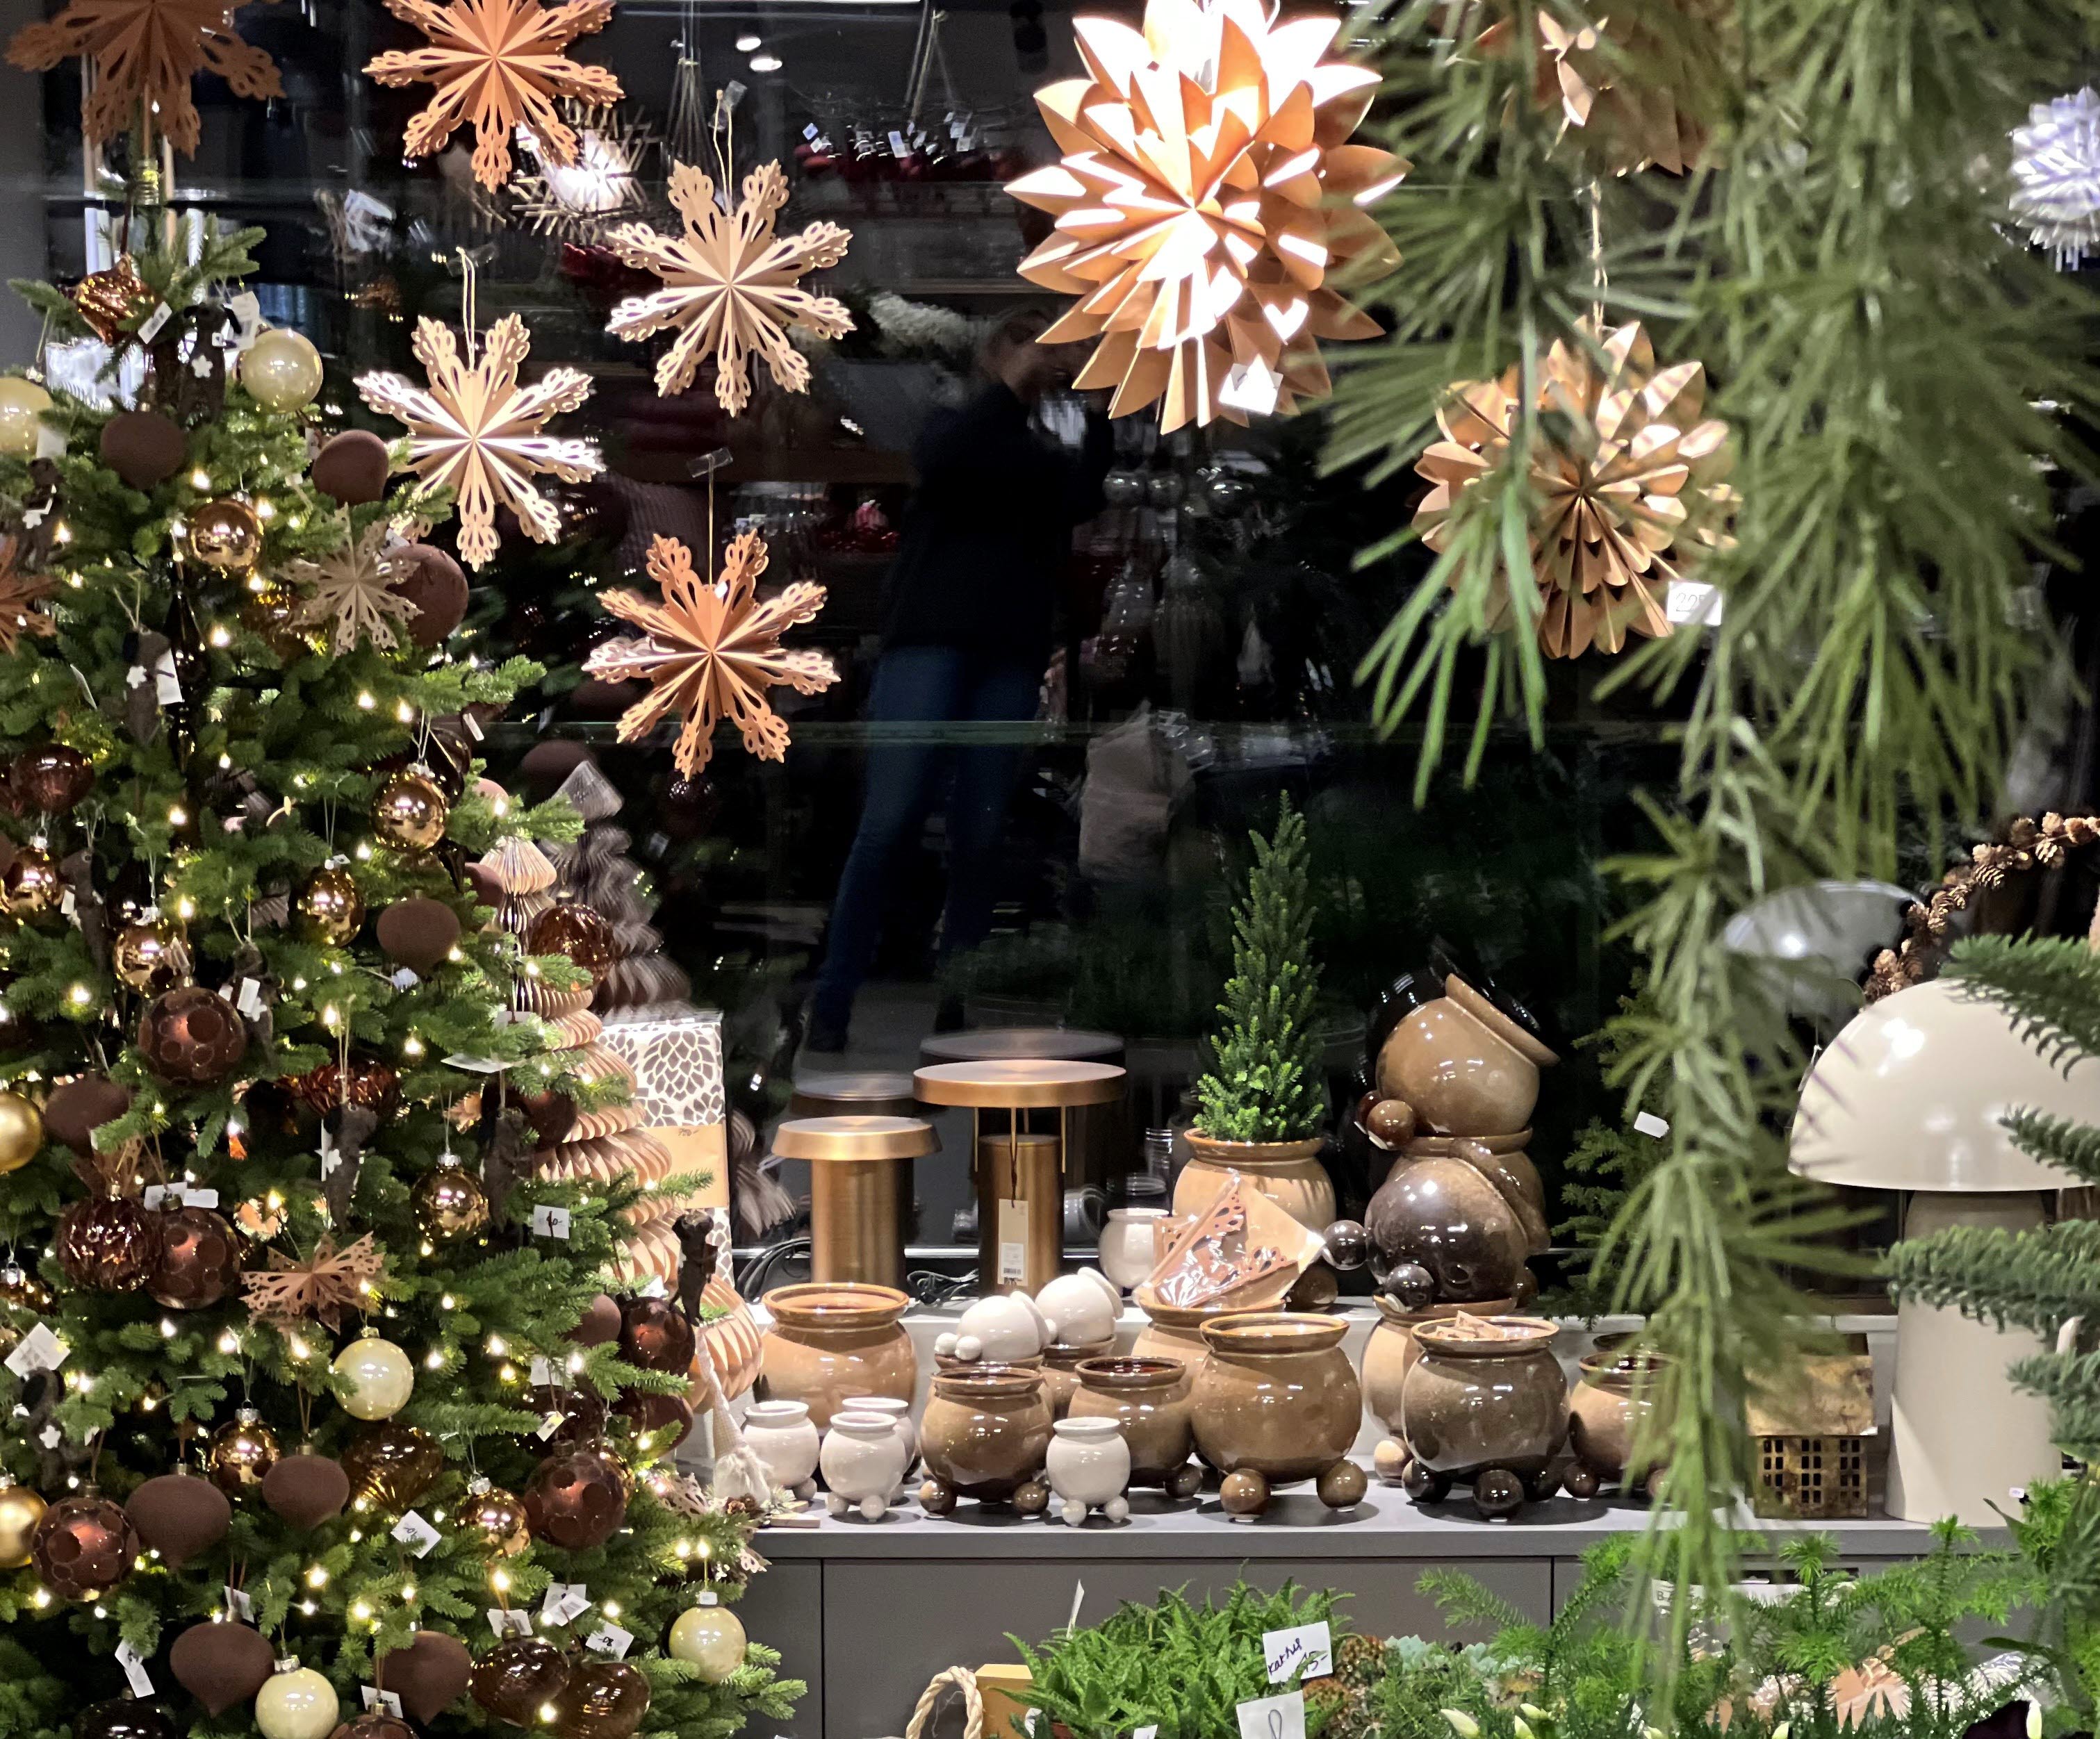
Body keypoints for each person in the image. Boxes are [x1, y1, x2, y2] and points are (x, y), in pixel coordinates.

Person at [806, 310, 1113, 1051]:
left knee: (981, 829)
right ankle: (833, 1001)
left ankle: (955, 1002)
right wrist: (1008, 388)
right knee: (892, 819)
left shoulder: (1041, 449)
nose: (1043, 357)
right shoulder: (953, 424)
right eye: (1028, 343)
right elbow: (948, 461)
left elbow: (1080, 496)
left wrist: (1102, 408)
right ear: (994, 355)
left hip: (1008, 650)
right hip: (929, 642)